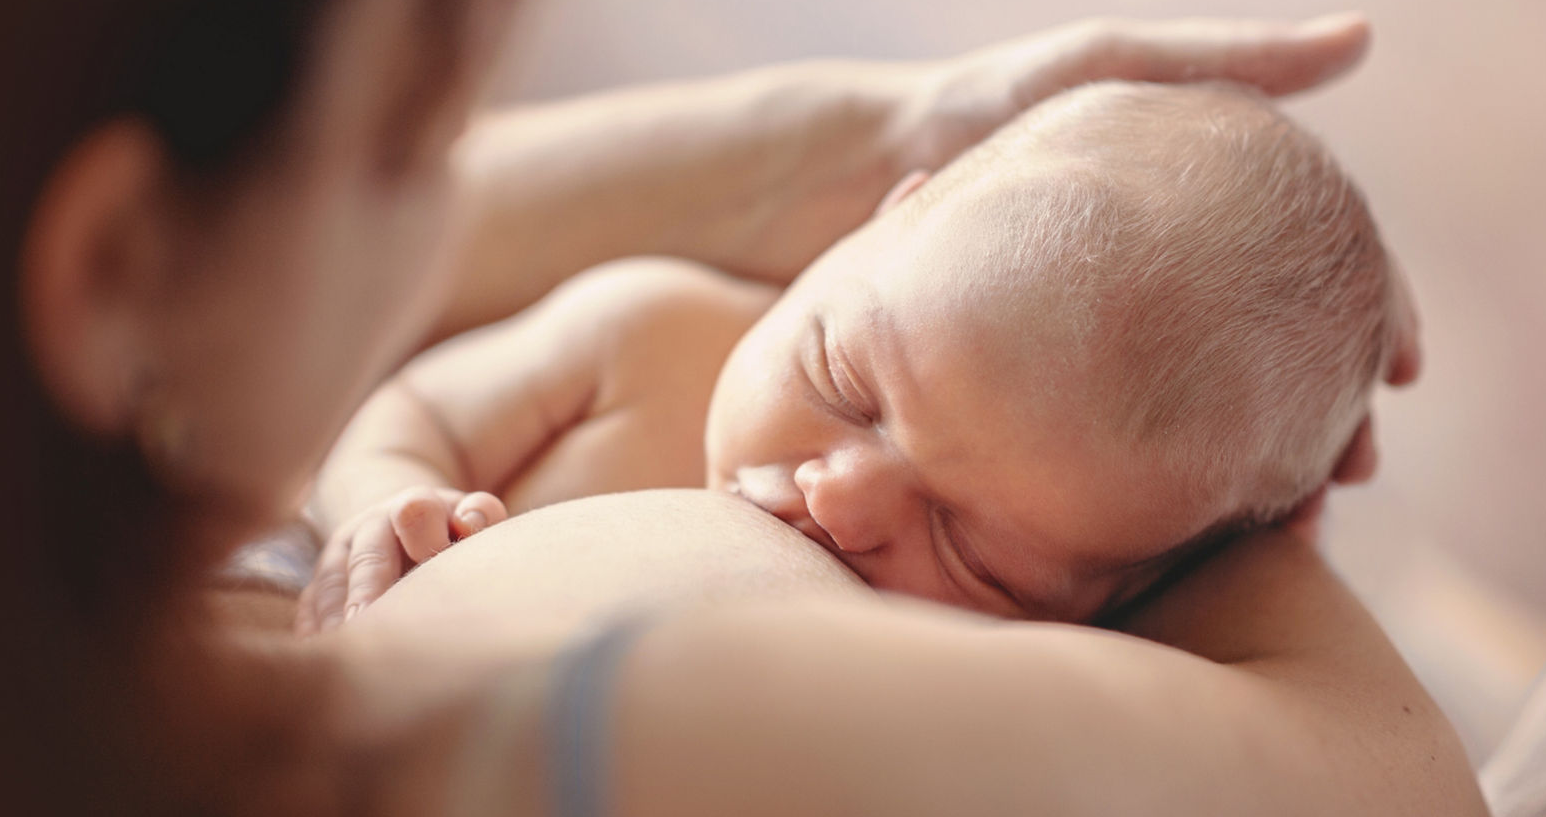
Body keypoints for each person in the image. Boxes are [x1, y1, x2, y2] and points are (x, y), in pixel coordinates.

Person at [0, 0, 1500, 817]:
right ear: (119, 271)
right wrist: (1220, 527)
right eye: (422, 138)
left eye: (982, 547)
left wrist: (850, 176)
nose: (467, 205)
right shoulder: (630, 741)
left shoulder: (97, 597)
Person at [299, 79, 1408, 632]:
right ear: (877, 221)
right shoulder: (647, 334)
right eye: (846, 385)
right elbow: (412, 412)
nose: (841, 495)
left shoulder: (995, 672)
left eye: (980, 559)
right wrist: (389, 505)